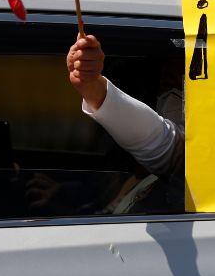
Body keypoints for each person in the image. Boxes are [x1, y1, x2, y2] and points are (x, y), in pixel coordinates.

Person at [66, 34, 185, 212]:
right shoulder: (125, 172)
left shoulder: (180, 170)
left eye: (184, 88)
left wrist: (93, 87)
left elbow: (165, 145)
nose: (174, 96)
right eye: (168, 83)